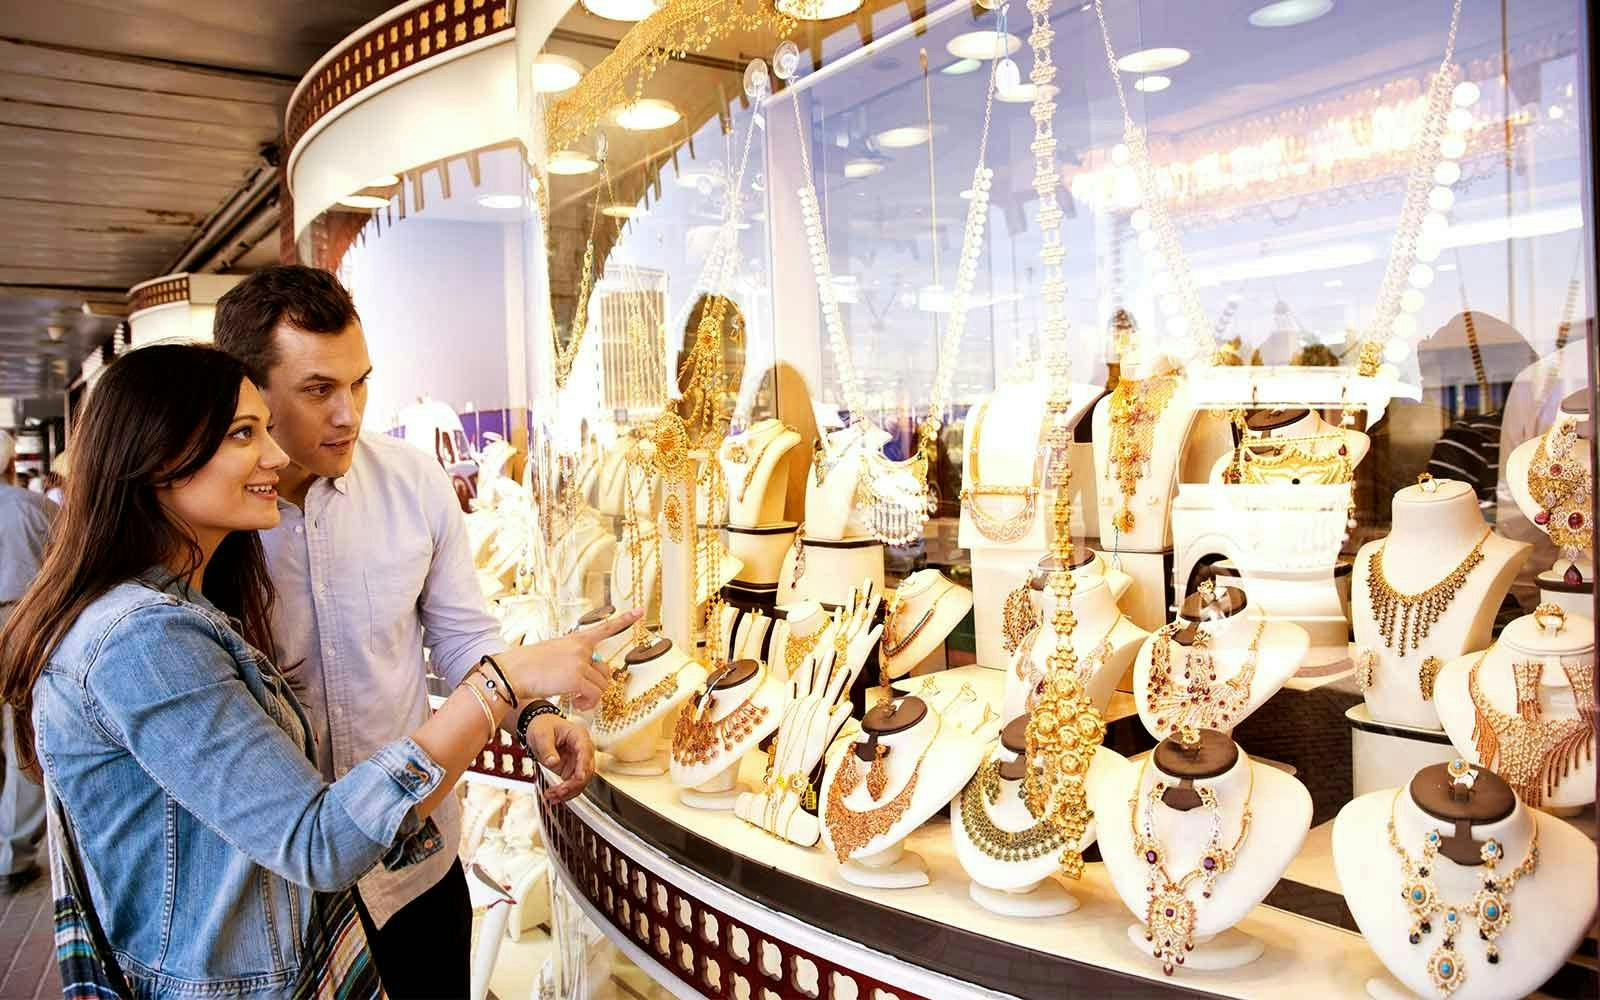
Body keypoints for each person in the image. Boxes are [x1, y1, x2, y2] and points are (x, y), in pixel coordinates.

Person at [0, 345, 636, 997]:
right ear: (160, 458)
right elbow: (316, 842)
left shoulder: (192, 600)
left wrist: (525, 704)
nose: (276, 453)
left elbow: (460, 633)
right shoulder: (143, 639)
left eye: (359, 384)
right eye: (246, 433)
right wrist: (500, 682)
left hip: (381, 885)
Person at [214, 265, 614, 996]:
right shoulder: (212, 524)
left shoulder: (413, 480)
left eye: (360, 383)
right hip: (277, 895)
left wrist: (535, 717)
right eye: (318, 390)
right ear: (250, 392)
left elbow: (462, 638)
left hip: (415, 869)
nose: (348, 414)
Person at [0, 429, 54, 894]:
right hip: (24, 623)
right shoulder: (34, 508)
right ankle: (12, 852)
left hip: (21, 618)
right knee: (23, 735)